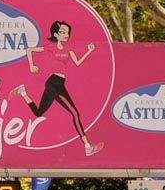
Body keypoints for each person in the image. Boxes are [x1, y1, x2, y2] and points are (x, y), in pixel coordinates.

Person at [10, 21, 104, 156]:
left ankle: (23, 92)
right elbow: (29, 50)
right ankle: (87, 146)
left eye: (67, 32)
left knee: (38, 113)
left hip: (59, 83)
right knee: (75, 113)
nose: (66, 35)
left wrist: (89, 51)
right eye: (62, 32)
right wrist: (31, 66)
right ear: (55, 34)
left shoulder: (68, 48)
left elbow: (78, 62)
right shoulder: (51, 47)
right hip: (54, 83)